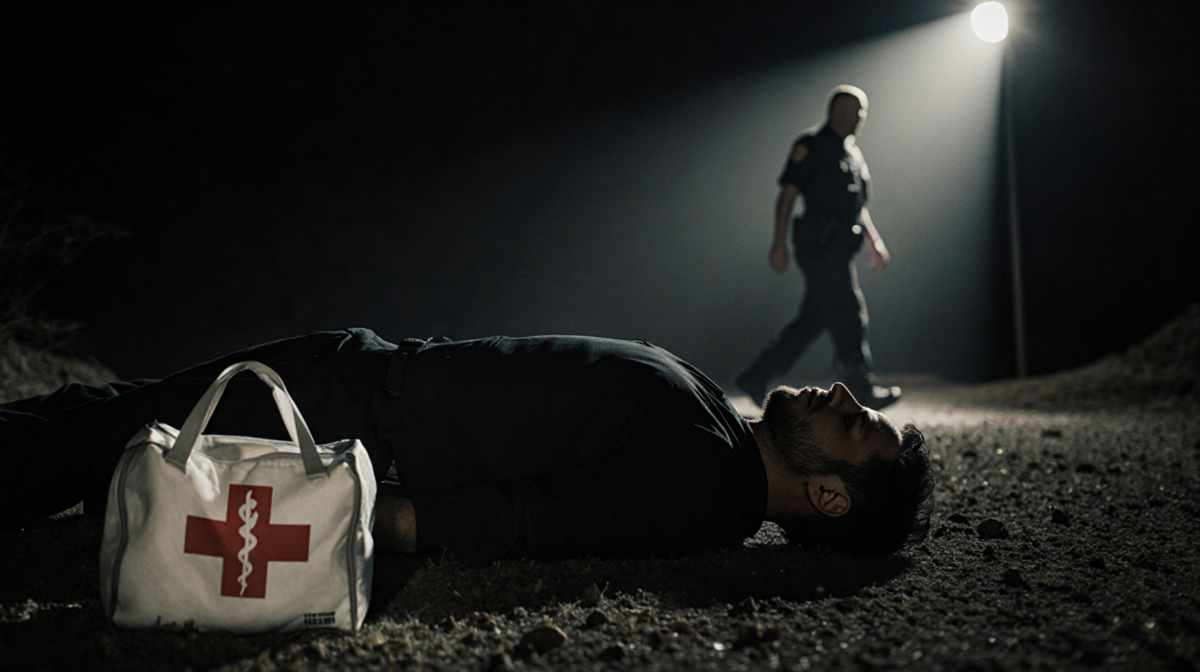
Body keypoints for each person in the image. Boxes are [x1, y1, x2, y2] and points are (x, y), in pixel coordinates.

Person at [1, 328, 932, 560]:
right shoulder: (721, 443)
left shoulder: (703, 487)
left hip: (358, 418)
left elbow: (540, 518)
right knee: (103, 418)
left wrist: (356, 519)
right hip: (368, 381)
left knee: (97, 432)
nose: (844, 395)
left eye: (853, 425)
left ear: (831, 498)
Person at [737, 85, 900, 410]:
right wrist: (778, 244)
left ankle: (757, 375)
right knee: (849, 312)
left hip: (841, 248)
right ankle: (860, 389)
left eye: (862, 113)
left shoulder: (852, 154)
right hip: (818, 247)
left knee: (814, 318)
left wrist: (874, 241)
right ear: (837, 112)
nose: (859, 119)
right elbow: (788, 195)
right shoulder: (810, 146)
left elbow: (857, 206)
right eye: (855, 112)